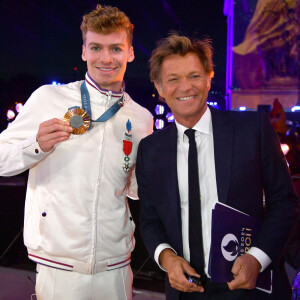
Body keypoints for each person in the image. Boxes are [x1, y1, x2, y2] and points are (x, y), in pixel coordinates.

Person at [0, 4, 153, 300]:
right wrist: (35, 146)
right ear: (84, 51)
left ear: (130, 52)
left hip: (117, 266)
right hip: (59, 265)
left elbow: (133, 188)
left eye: (116, 49)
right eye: (96, 47)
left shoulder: (141, 118)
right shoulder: (48, 98)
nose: (106, 58)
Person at [136, 34, 299, 300]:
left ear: (209, 77)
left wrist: (257, 258)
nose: (185, 87)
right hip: (184, 290)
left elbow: (284, 201)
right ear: (159, 87)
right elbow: (150, 220)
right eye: (173, 79)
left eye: (194, 76)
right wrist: (166, 259)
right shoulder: (150, 150)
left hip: (251, 287)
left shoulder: (252, 130)